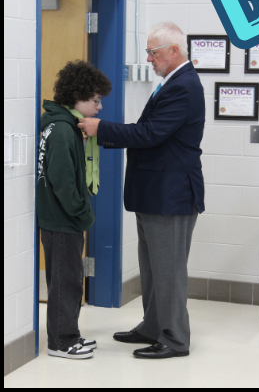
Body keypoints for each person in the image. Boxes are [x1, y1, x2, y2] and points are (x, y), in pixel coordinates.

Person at [79, 21, 204, 359]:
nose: (148, 58)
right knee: (152, 270)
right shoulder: (172, 82)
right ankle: (153, 326)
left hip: (171, 196)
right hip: (155, 194)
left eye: (153, 52)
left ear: (173, 51)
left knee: (169, 272)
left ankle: (174, 339)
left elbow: (150, 134)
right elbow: (151, 130)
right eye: (148, 52)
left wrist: (101, 128)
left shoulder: (184, 86)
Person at [37, 60, 112, 359]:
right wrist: (83, 213)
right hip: (62, 220)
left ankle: (69, 334)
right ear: (78, 96)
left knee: (68, 281)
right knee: (64, 284)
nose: (99, 106)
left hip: (61, 220)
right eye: (96, 100)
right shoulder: (62, 131)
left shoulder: (63, 125)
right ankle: (61, 342)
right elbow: (63, 183)